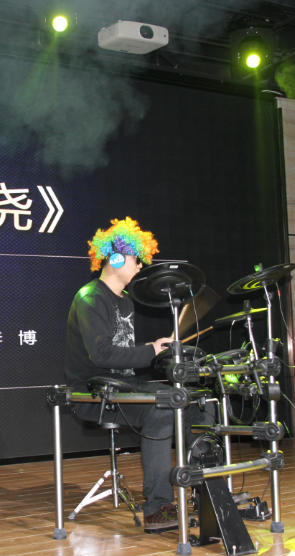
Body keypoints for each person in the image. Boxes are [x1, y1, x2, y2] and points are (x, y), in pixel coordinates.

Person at [64, 217, 214, 533]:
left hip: (124, 385)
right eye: (136, 259)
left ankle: (208, 493)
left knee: (199, 405)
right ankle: (157, 508)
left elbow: (127, 356)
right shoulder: (90, 297)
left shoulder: (126, 301)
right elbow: (102, 355)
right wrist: (150, 349)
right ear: (116, 259)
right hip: (95, 390)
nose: (141, 266)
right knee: (163, 408)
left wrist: (159, 350)